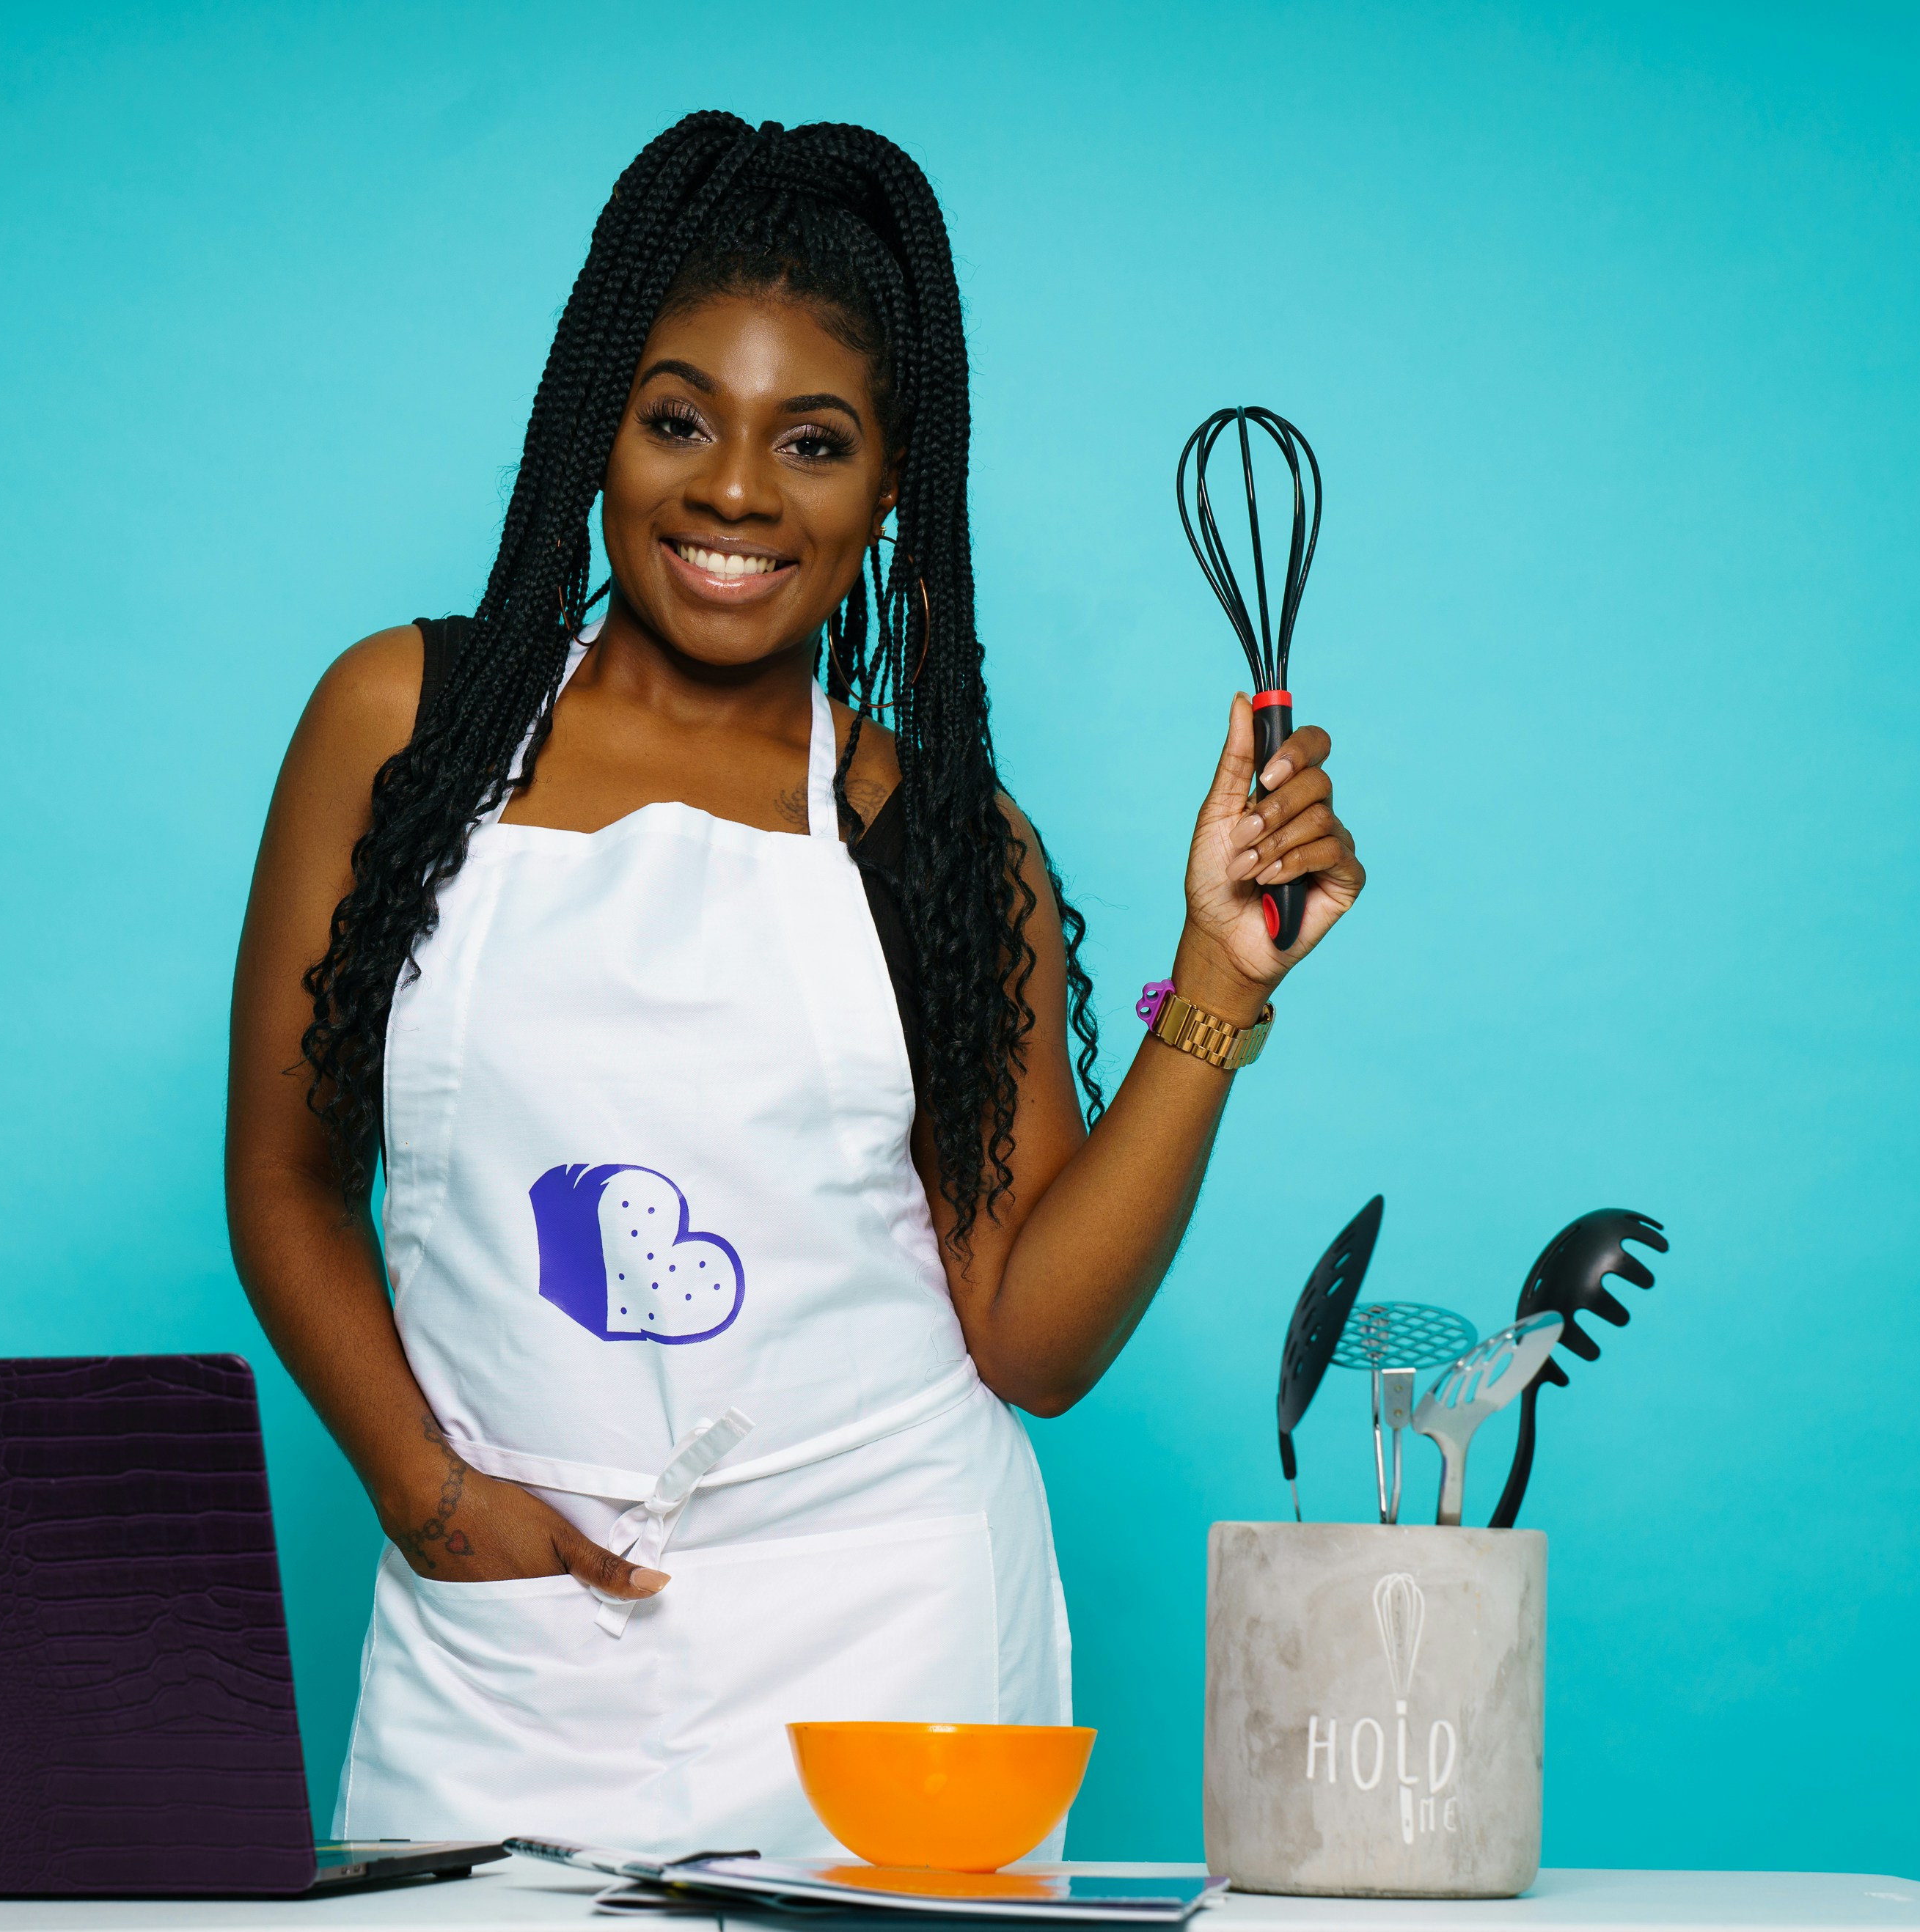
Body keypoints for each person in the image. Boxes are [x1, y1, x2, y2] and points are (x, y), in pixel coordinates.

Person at [224, 111, 1364, 1854]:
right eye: (679, 417)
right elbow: (288, 1182)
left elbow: (1033, 1340)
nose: (738, 491)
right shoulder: (405, 729)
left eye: (814, 440)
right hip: (506, 1641)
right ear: (596, 422)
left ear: (893, 479)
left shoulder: (946, 841)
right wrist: (429, 1494)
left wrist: (1222, 978)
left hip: (885, 1649)